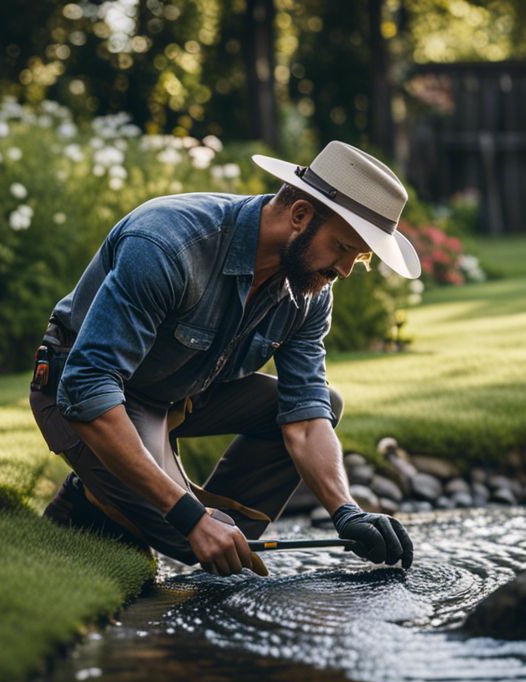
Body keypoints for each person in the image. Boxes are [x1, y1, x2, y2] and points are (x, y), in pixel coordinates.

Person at [29, 141, 419, 576]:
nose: (345, 270)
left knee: (324, 408)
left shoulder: (309, 290)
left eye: (358, 258)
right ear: (301, 215)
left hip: (181, 391)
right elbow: (88, 388)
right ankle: (89, 504)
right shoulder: (169, 244)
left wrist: (348, 511)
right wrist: (191, 518)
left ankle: (147, 504)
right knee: (193, 536)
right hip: (84, 387)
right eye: (343, 247)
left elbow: (306, 415)